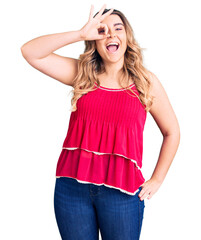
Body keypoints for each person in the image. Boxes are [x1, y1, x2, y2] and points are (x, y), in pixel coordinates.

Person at [21, 4, 180, 240]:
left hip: (122, 193)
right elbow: (30, 51)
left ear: (127, 37)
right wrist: (79, 34)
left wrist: (157, 179)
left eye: (118, 28)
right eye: (103, 30)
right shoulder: (82, 75)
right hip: (71, 189)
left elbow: (172, 132)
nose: (112, 35)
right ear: (95, 40)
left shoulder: (146, 82)